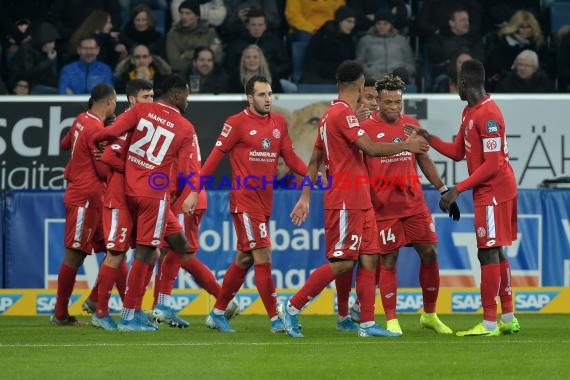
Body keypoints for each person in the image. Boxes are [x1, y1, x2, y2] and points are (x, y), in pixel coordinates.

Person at [279, 60, 429, 338]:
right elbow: (370, 149)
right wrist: (406, 145)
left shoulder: (331, 116)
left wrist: (305, 195)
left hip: (361, 199)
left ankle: (367, 323)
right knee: (343, 262)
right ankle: (291, 307)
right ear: (360, 86)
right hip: (346, 199)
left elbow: (315, 159)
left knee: (370, 257)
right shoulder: (343, 115)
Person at [407, 59, 520, 336]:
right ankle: (508, 317)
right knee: (497, 250)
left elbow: (493, 163)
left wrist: (459, 188)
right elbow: (458, 152)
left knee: (487, 252)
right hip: (491, 190)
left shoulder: (489, 115)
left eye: (457, 83)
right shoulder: (469, 112)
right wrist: (429, 138)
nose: (455, 88)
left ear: (465, 84)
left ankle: (490, 323)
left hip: (495, 192)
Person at [201, 75, 308, 333]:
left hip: (265, 202)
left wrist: (314, 173)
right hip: (244, 202)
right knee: (263, 255)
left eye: (270, 94)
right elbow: (215, 158)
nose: (268, 98)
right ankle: (275, 320)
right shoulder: (235, 123)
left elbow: (291, 159)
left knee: (245, 258)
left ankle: (217, 313)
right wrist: (194, 189)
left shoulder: (279, 123)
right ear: (250, 98)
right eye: (262, 95)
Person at [93, 74, 201, 331]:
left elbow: (110, 133)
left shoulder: (141, 111)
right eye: (186, 94)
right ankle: (129, 314)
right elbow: (188, 169)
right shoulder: (185, 127)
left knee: (159, 249)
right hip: (155, 195)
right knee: (142, 251)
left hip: (130, 192)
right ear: (176, 95)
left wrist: (97, 143)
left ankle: (140, 309)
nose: (188, 99)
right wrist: (190, 192)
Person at [355, 74, 454, 335]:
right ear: (378, 100)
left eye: (398, 102)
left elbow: (423, 158)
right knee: (388, 260)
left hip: (414, 203)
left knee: (430, 253)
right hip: (383, 206)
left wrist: (443, 188)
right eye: (387, 102)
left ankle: (430, 314)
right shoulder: (364, 127)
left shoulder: (410, 124)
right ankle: (391, 319)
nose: (393, 107)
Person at [89, 79, 156, 331]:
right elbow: (108, 156)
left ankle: (135, 309)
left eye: (152, 96)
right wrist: (136, 170)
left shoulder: (147, 123)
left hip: (137, 200)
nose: (150, 101)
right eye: (145, 97)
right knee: (116, 254)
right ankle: (101, 311)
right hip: (119, 200)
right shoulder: (125, 124)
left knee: (150, 252)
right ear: (131, 100)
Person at [50, 84, 117, 326]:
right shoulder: (95, 128)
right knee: (75, 255)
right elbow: (102, 170)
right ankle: (60, 314)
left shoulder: (81, 119)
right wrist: (110, 149)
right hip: (85, 198)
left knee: (114, 250)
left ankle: (95, 299)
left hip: (92, 198)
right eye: (115, 102)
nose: (115, 107)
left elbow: (64, 143)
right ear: (109, 101)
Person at [356, 7, 415, 85]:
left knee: (401, 73)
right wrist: (370, 71)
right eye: (379, 23)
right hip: (373, 78)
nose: (382, 26)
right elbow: (359, 63)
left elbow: (410, 65)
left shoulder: (401, 40)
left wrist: (400, 71)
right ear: (375, 25)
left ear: (391, 24)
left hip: (397, 79)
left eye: (385, 23)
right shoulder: (365, 40)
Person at [302, 5, 357, 84]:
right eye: (348, 21)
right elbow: (311, 59)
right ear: (339, 21)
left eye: (353, 22)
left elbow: (350, 61)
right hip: (319, 75)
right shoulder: (323, 35)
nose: (352, 25)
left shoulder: (350, 39)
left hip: (339, 77)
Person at [166, 0, 222, 75]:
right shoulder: (172, 34)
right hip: (183, 75)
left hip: (209, 76)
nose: (183, 16)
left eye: (188, 13)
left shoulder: (210, 32)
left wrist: (187, 54)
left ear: (197, 16)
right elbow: (175, 64)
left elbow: (217, 58)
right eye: (181, 13)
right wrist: (206, 53)